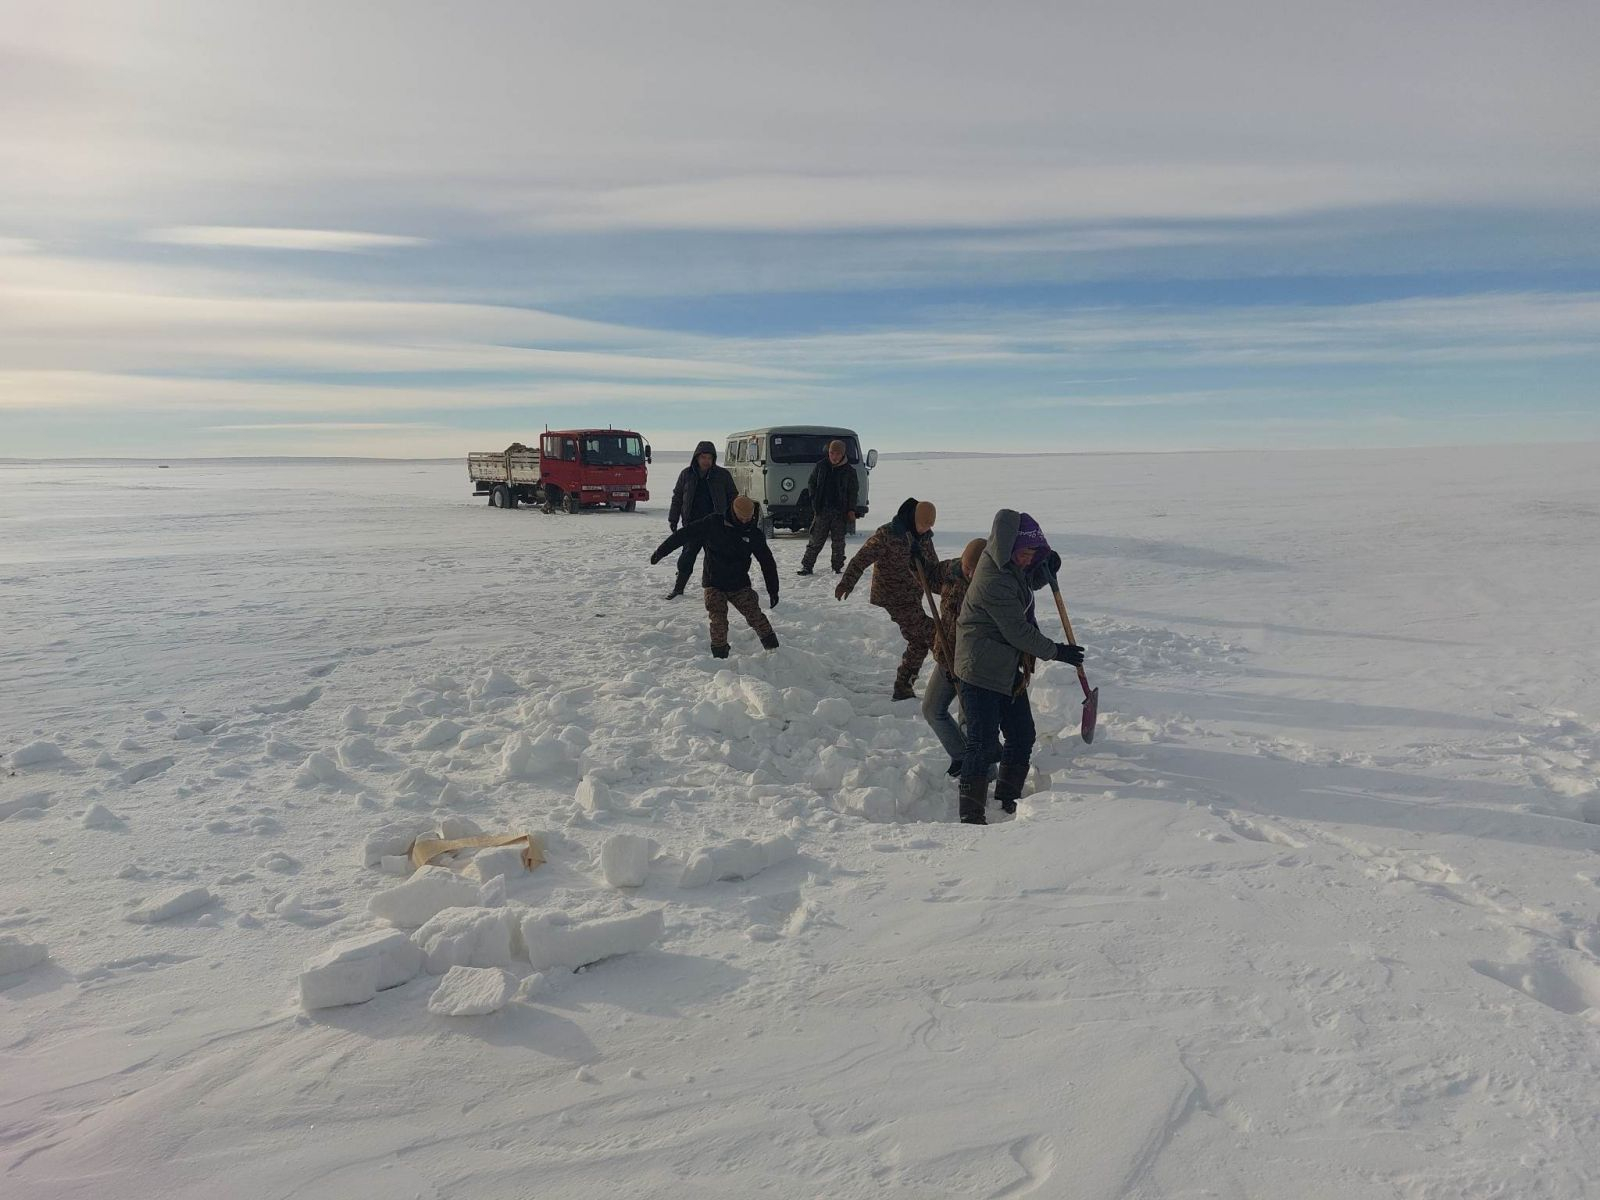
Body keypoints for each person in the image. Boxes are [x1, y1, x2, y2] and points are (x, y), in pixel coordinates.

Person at [953, 511, 1083, 825]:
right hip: (981, 669)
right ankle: (971, 814)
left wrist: (1042, 571)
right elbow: (1017, 631)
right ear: (1009, 549)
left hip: (1005, 667)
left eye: (1031, 556)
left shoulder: (1007, 564)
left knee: (1022, 734)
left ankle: (1008, 797)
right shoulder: (992, 578)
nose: (1026, 560)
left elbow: (1022, 582)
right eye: (1024, 555)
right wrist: (1057, 652)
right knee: (982, 743)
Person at [650, 495, 780, 658]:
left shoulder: (754, 534)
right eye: (742, 518)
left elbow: (767, 562)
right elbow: (684, 534)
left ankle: (774, 650)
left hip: (739, 584)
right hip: (714, 582)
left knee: (755, 615)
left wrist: (773, 590)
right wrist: (660, 552)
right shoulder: (713, 523)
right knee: (718, 621)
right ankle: (720, 657)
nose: (745, 521)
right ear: (733, 511)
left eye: (749, 518)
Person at [836, 497, 939, 701]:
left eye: (928, 527)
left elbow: (934, 570)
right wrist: (846, 583)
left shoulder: (925, 538)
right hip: (892, 596)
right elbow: (861, 559)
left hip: (912, 596)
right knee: (934, 633)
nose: (924, 529)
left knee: (918, 642)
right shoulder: (889, 533)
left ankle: (903, 687)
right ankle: (954, 681)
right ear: (913, 518)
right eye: (922, 525)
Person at [924, 538, 986, 776]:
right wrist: (914, 557)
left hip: (973, 665)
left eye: (975, 569)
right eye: (967, 567)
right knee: (932, 709)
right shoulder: (951, 570)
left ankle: (983, 772)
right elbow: (928, 577)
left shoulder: (990, 584)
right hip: (945, 658)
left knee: (970, 722)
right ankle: (961, 756)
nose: (969, 573)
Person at [665, 440, 738, 599]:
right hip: (693, 525)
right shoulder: (686, 474)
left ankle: (721, 590)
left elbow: (733, 497)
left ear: (713, 459)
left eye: (709, 457)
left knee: (717, 559)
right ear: (696, 458)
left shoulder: (722, 475)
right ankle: (678, 588)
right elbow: (677, 498)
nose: (706, 461)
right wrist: (673, 518)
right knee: (687, 557)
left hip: (716, 525)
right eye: (703, 457)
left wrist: (732, 520)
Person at [796, 439, 858, 577]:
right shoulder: (821, 466)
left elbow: (853, 492)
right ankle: (807, 566)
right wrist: (814, 500)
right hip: (822, 511)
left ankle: (837, 568)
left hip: (840, 513)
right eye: (831, 453)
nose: (834, 456)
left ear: (842, 454)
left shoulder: (849, 471)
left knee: (838, 543)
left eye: (837, 453)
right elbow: (811, 483)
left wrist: (851, 509)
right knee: (815, 541)